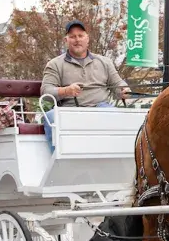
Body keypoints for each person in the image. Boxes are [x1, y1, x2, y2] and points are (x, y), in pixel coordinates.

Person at [40, 20, 131, 151]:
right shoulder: (54, 64)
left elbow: (118, 83)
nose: (77, 40)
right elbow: (46, 91)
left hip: (101, 107)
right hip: (69, 110)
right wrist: (66, 90)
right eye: (72, 36)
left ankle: (114, 158)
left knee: (117, 116)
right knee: (50, 117)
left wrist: (124, 90)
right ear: (66, 40)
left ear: (87, 38)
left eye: (80, 35)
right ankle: (59, 162)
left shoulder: (104, 62)